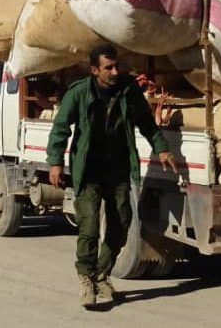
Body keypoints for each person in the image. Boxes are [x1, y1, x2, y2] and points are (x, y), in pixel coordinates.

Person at [46, 44, 178, 309]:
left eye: (117, 66)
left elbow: (147, 125)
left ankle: (102, 275)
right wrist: (55, 163)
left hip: (118, 168)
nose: (115, 71)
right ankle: (87, 278)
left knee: (121, 224)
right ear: (95, 70)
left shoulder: (128, 91)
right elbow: (60, 128)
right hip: (89, 170)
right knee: (90, 227)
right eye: (108, 68)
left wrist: (162, 149)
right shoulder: (80, 92)